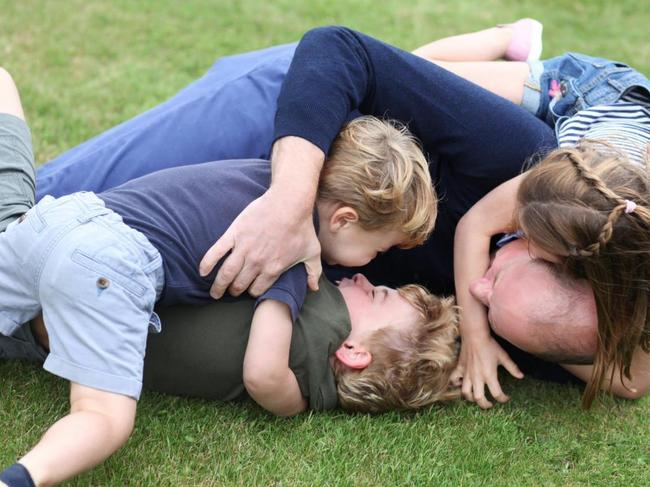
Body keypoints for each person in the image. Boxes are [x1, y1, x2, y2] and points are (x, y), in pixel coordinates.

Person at [33, 24, 642, 406]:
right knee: (37, 212)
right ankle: (498, 44)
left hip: (368, 181)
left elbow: (629, 381)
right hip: (302, 118)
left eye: (488, 312)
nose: (473, 292)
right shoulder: (529, 172)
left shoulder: (571, 327)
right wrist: (289, 206)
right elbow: (336, 49)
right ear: (545, 246)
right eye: (496, 279)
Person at [0, 67, 443, 485]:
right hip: (110, 264)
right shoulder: (290, 245)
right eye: (379, 249)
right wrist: (295, 405)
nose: (370, 269)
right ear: (344, 219)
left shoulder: (268, 176)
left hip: (61, 219)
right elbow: (263, 372)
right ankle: (20, 477)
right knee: (102, 417)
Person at [412, 19, 650, 408]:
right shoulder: (552, 193)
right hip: (585, 90)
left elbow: (632, 382)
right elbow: (475, 225)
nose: (527, 245)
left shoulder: (621, 247)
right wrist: (476, 336)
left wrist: (539, 331)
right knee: (422, 69)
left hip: (620, 152)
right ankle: (511, 37)